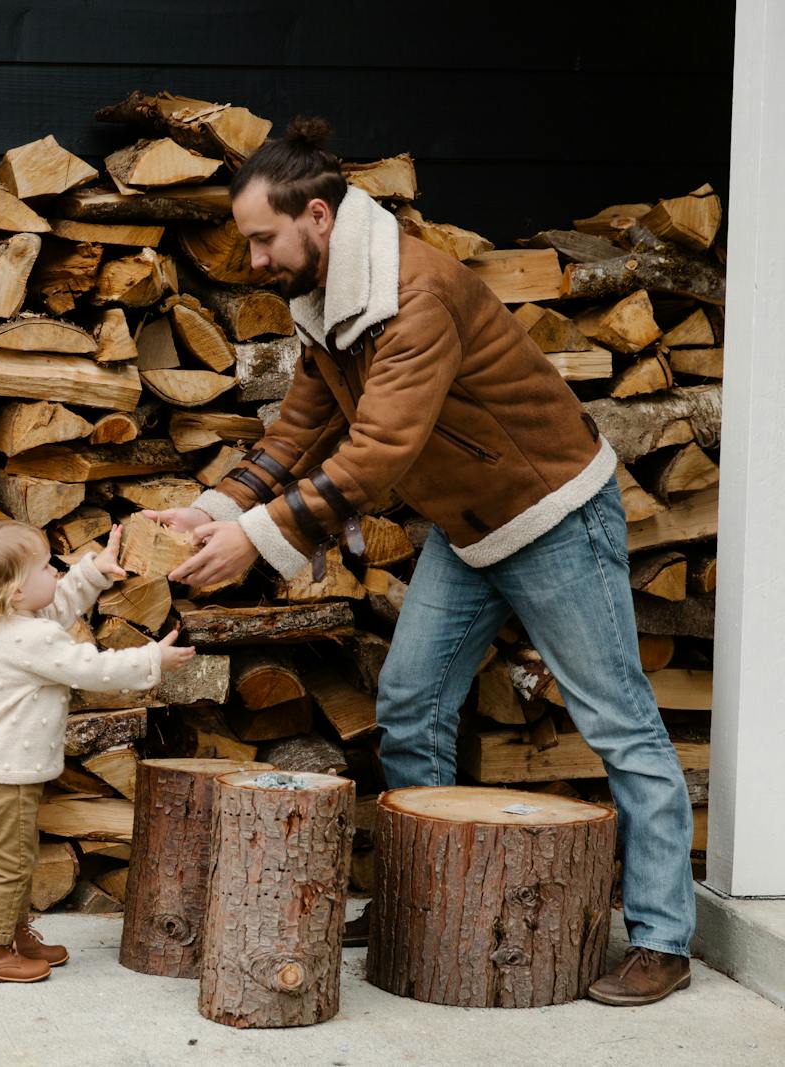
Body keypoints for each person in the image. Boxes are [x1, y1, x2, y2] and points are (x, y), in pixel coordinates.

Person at [145, 117, 695, 1007]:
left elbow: (376, 453)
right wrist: (218, 506)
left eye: (261, 238)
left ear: (318, 216)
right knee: (408, 699)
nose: (251, 259)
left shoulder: (411, 295)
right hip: (470, 521)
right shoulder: (331, 293)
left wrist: (259, 539)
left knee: (620, 721)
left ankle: (664, 937)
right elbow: (304, 424)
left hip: (550, 514)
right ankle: (422, 898)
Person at [0, 520, 196, 983]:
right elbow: (92, 669)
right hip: (2, 780)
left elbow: (58, 608)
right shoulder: (29, 639)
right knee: (13, 866)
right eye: (46, 567)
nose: (57, 573)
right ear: (14, 590)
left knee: (18, 861)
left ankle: (14, 936)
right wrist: (151, 660)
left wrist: (96, 572)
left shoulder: (14, 625)